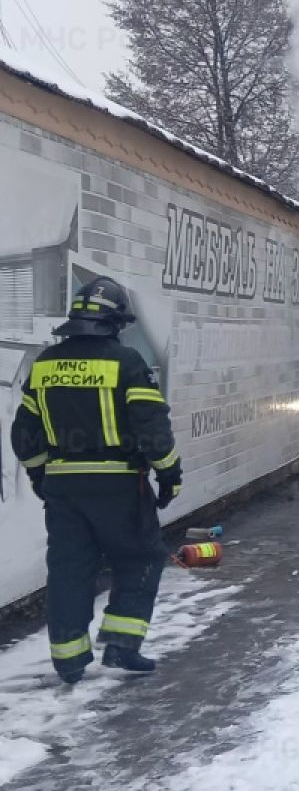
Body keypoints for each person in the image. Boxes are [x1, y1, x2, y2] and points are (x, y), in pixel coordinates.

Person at [10, 277, 182, 683]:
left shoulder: (45, 364)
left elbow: (24, 435)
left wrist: (40, 475)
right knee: (140, 558)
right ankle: (122, 646)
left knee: (69, 568)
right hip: (119, 485)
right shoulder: (127, 362)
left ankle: (68, 661)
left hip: (63, 489)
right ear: (116, 321)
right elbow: (152, 429)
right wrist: (169, 474)